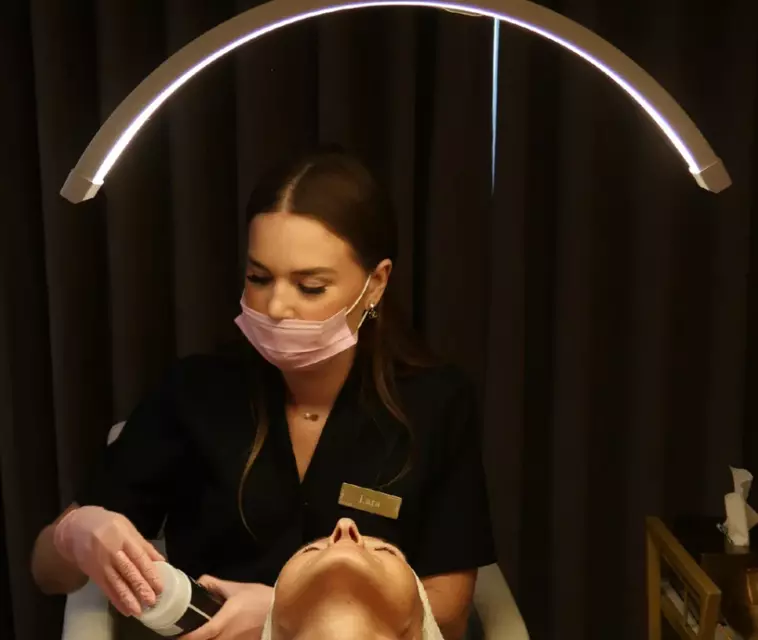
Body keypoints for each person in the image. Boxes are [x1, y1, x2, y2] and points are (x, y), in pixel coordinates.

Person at [31, 146, 495, 640]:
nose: (276, 306)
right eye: (259, 278)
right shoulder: (195, 394)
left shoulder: (434, 404)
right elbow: (47, 572)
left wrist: (283, 613)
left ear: (376, 283)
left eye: (310, 287)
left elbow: (449, 612)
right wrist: (73, 536)